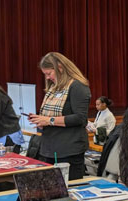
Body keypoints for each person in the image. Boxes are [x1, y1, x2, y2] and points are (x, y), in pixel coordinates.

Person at [28, 52, 91, 180]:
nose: (47, 78)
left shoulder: (77, 86)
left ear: (60, 68)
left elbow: (80, 118)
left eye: (49, 73)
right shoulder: (53, 88)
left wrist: (49, 120)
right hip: (49, 148)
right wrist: (40, 120)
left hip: (69, 150)